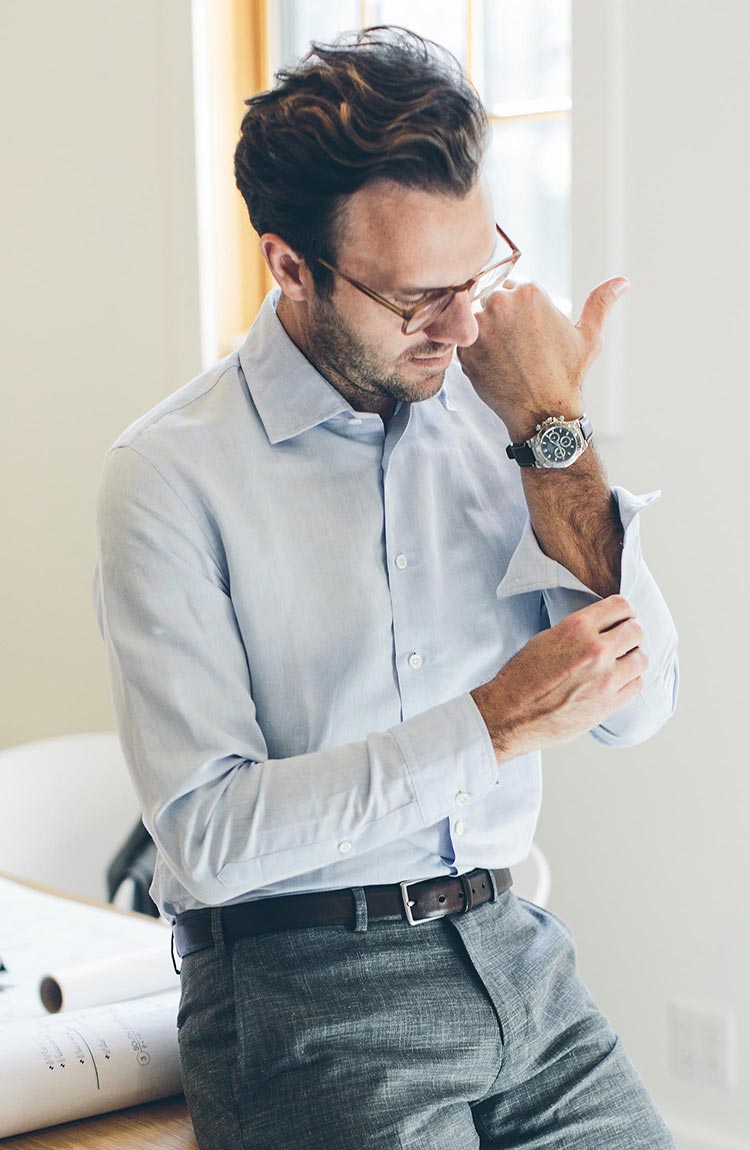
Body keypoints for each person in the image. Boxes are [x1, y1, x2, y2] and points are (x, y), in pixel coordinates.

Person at [93, 26, 678, 1149]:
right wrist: (491, 726)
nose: (462, 327)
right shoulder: (168, 475)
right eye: (418, 298)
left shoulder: (503, 414)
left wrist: (554, 431)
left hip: (522, 962)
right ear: (290, 266)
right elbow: (208, 837)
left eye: (480, 276)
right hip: (302, 995)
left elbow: (640, 708)